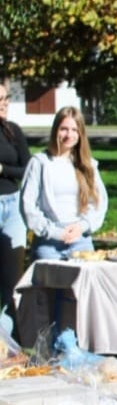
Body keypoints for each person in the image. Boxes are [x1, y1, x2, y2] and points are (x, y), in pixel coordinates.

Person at [20, 106, 108, 260]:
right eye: (64, 129)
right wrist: (55, 232)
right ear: (55, 130)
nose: (69, 135)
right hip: (48, 242)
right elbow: (27, 206)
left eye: (74, 130)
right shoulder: (40, 163)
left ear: (80, 134)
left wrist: (82, 226)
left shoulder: (87, 164)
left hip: (80, 240)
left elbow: (99, 203)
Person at [0, 84, 31, 335]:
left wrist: (3, 170)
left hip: (13, 205)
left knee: (13, 280)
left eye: (6, 98)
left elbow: (28, 169)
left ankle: (9, 340)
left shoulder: (13, 131)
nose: (4, 103)